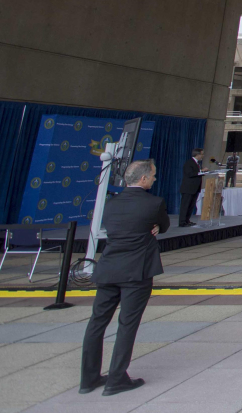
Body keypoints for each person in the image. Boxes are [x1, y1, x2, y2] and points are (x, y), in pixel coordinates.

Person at [80, 159, 169, 397]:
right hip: (136, 271)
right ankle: (116, 378)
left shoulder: (111, 203)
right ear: (142, 179)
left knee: (96, 322)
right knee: (127, 325)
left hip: (109, 267)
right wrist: (156, 228)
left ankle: (88, 379)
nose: (154, 179)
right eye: (152, 175)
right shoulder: (154, 202)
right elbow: (165, 225)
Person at [178, 148, 204, 228]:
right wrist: (201, 172)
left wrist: (202, 172)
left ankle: (187, 220)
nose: (203, 156)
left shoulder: (197, 164)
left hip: (194, 189)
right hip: (188, 188)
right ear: (197, 154)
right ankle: (182, 222)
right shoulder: (189, 163)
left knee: (191, 206)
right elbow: (189, 174)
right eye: (202, 154)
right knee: (185, 205)